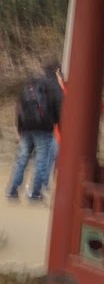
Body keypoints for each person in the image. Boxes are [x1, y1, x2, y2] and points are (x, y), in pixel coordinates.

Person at [6, 63, 63, 204]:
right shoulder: (54, 86)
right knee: (41, 161)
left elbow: (20, 107)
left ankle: (12, 191)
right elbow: (60, 109)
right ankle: (35, 193)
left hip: (26, 127)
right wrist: (59, 126)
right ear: (57, 71)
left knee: (22, 160)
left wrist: (19, 127)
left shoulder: (30, 84)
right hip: (44, 128)